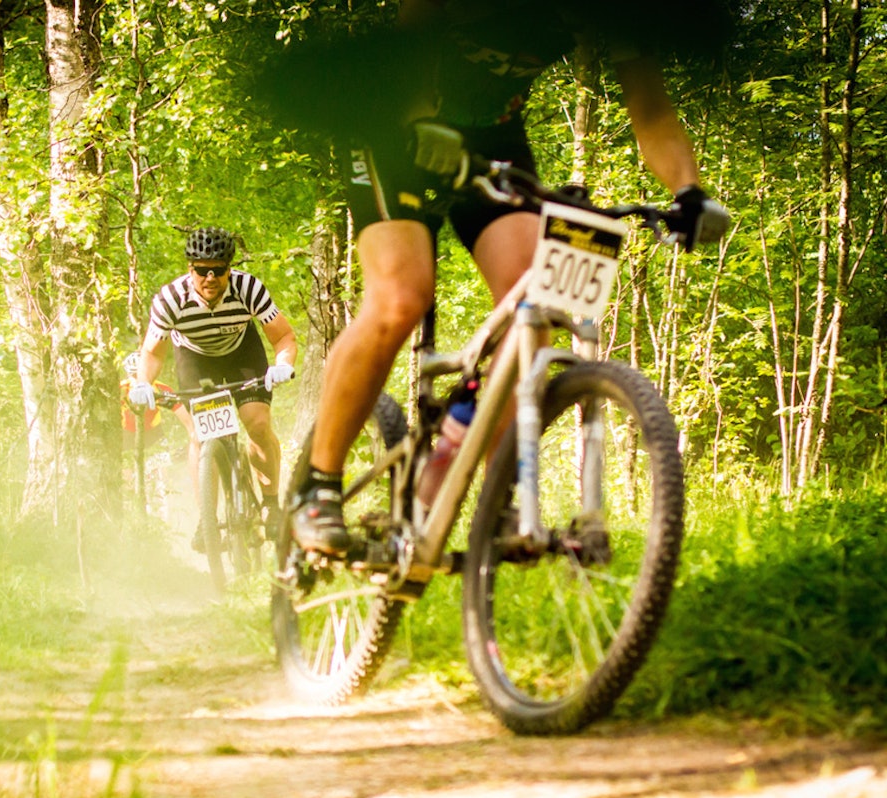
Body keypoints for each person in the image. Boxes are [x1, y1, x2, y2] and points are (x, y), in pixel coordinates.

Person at [288, 0, 730, 555]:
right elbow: (412, 40)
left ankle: (479, 481)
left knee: (535, 312)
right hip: (395, 120)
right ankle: (318, 489)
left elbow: (652, 108)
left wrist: (688, 192)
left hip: (492, 138)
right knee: (401, 296)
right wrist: (420, 119)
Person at [128, 226, 299, 541]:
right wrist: (142, 383)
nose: (210, 278)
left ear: (229, 270)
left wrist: (283, 365)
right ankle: (207, 519)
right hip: (195, 357)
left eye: (218, 270)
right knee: (200, 434)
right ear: (190, 269)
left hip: (241, 352)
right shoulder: (171, 299)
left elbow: (284, 336)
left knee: (258, 425)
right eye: (202, 270)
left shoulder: (249, 289)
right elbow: (152, 352)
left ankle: (270, 503)